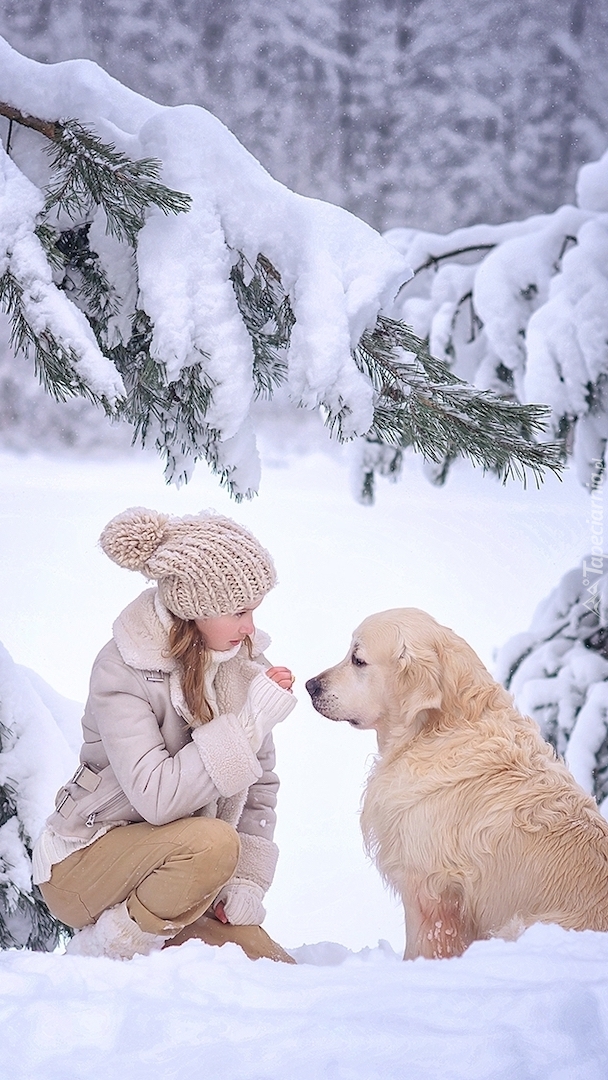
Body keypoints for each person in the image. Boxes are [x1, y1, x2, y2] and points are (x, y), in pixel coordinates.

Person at [33, 507, 297, 962]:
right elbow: (156, 796)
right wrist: (249, 724)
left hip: (176, 866)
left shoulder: (239, 669)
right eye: (239, 611)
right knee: (214, 842)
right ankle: (108, 947)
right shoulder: (121, 669)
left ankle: (153, 927)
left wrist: (246, 883)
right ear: (197, 609)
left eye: (254, 610)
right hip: (83, 862)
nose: (250, 627)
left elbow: (259, 790)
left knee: (270, 965)